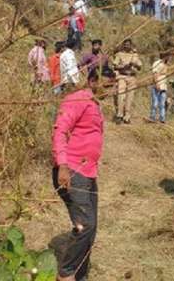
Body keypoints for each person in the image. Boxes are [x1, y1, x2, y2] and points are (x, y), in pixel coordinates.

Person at [49, 73, 104, 281]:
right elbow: (60, 130)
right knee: (85, 225)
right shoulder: (78, 99)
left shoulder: (95, 104)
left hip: (88, 173)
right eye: (109, 83)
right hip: (72, 170)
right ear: (93, 81)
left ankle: (79, 275)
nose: (114, 88)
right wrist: (62, 165)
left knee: (91, 227)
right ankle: (65, 274)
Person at [112, 39, 142, 124]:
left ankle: (127, 116)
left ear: (131, 45)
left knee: (130, 98)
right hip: (122, 76)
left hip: (132, 77)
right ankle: (119, 115)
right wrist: (123, 66)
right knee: (121, 95)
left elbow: (140, 66)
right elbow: (115, 66)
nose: (127, 46)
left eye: (128, 44)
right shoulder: (119, 54)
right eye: (125, 44)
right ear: (123, 45)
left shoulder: (134, 55)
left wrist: (135, 64)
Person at [149, 52, 171, 123]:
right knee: (155, 103)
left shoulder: (166, 64)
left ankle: (162, 118)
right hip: (157, 84)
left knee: (162, 103)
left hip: (163, 86)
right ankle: (152, 117)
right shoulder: (157, 63)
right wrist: (157, 84)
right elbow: (155, 74)